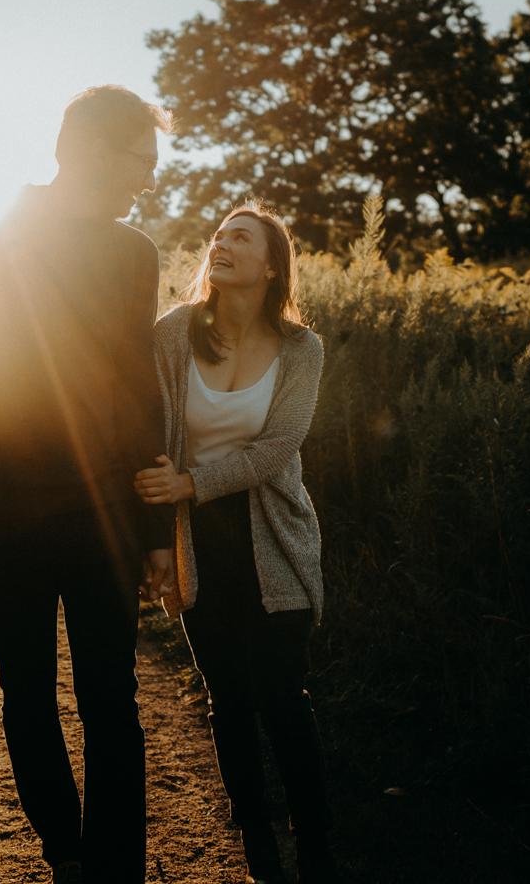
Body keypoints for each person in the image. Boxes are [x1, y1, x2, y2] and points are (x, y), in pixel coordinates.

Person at [0, 86, 174, 884]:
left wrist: (156, 532)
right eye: (141, 160)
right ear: (88, 150)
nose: (149, 179)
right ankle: (66, 854)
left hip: (108, 513)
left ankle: (117, 869)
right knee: (27, 694)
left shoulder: (136, 253)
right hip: (7, 514)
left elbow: (139, 390)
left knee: (112, 699)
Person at [134, 199, 337, 884]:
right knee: (227, 698)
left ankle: (316, 843)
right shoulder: (173, 334)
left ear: (272, 265)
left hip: (274, 536)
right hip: (198, 543)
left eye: (241, 237)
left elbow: (279, 447)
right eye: (218, 234)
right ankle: (257, 843)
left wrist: (191, 482)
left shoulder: (302, 349)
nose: (221, 243)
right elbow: (153, 435)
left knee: (283, 694)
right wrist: (156, 534)